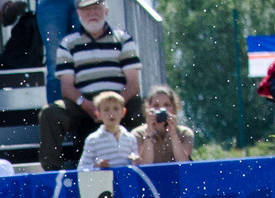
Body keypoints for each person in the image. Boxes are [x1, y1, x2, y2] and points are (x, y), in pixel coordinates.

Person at [37, 0, 140, 172]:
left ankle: (143, 162)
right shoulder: (68, 43)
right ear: (78, 14)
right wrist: (87, 105)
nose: (92, 13)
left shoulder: (123, 39)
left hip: (117, 98)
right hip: (83, 102)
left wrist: (112, 106)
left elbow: (133, 84)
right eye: (86, 9)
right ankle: (52, 172)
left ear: (106, 11)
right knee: (50, 113)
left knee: (141, 107)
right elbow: (67, 87)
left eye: (96, 8)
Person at [131, 83, 192, 163]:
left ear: (174, 109)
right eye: (156, 105)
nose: (161, 109)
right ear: (148, 109)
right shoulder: (138, 134)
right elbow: (144, 165)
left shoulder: (184, 133)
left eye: (167, 105)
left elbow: (184, 164)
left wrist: (173, 135)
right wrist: (149, 134)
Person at [75, 88, 134, 170]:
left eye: (116, 109)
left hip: (126, 182)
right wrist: (96, 166)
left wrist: (136, 161)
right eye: (106, 110)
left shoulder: (131, 138)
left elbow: (135, 164)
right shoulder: (92, 139)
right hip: (104, 181)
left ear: (123, 112)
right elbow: (81, 168)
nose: (111, 114)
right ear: (98, 114)